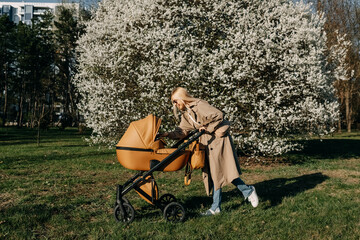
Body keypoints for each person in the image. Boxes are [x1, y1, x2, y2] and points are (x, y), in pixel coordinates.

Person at [159, 87, 259, 216]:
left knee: (221, 172)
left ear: (182, 98)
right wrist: (167, 134)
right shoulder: (186, 113)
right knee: (215, 173)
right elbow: (182, 131)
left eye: (175, 101)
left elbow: (219, 115)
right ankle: (226, 202)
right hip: (207, 143)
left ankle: (245, 192)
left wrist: (207, 128)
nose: (174, 104)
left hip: (218, 141)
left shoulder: (199, 105)